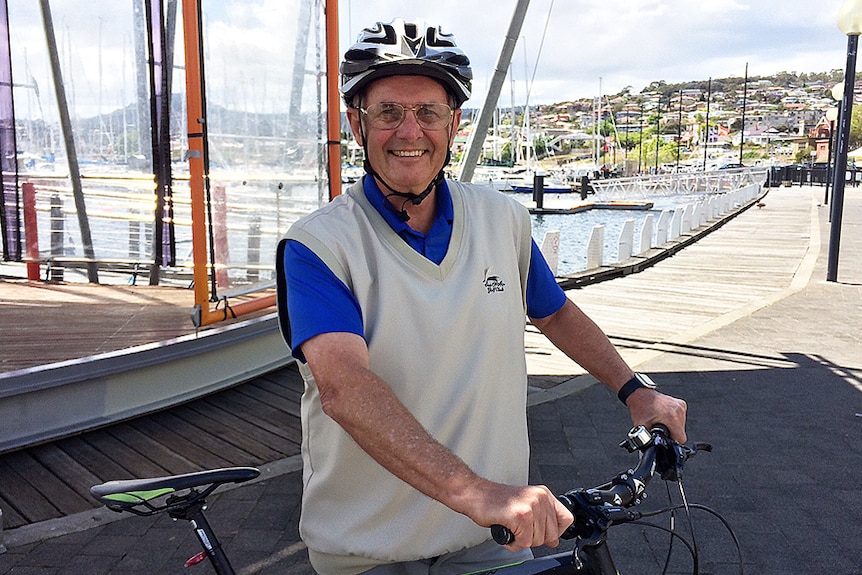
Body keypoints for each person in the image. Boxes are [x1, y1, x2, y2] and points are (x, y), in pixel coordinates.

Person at [277, 18, 687, 575]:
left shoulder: (501, 220)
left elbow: (556, 311)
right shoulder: (318, 245)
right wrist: (478, 492)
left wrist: (635, 391)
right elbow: (345, 386)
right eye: (388, 112)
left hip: (491, 537)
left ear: (455, 124)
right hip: (368, 548)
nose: (409, 131)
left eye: (428, 113)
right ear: (357, 124)